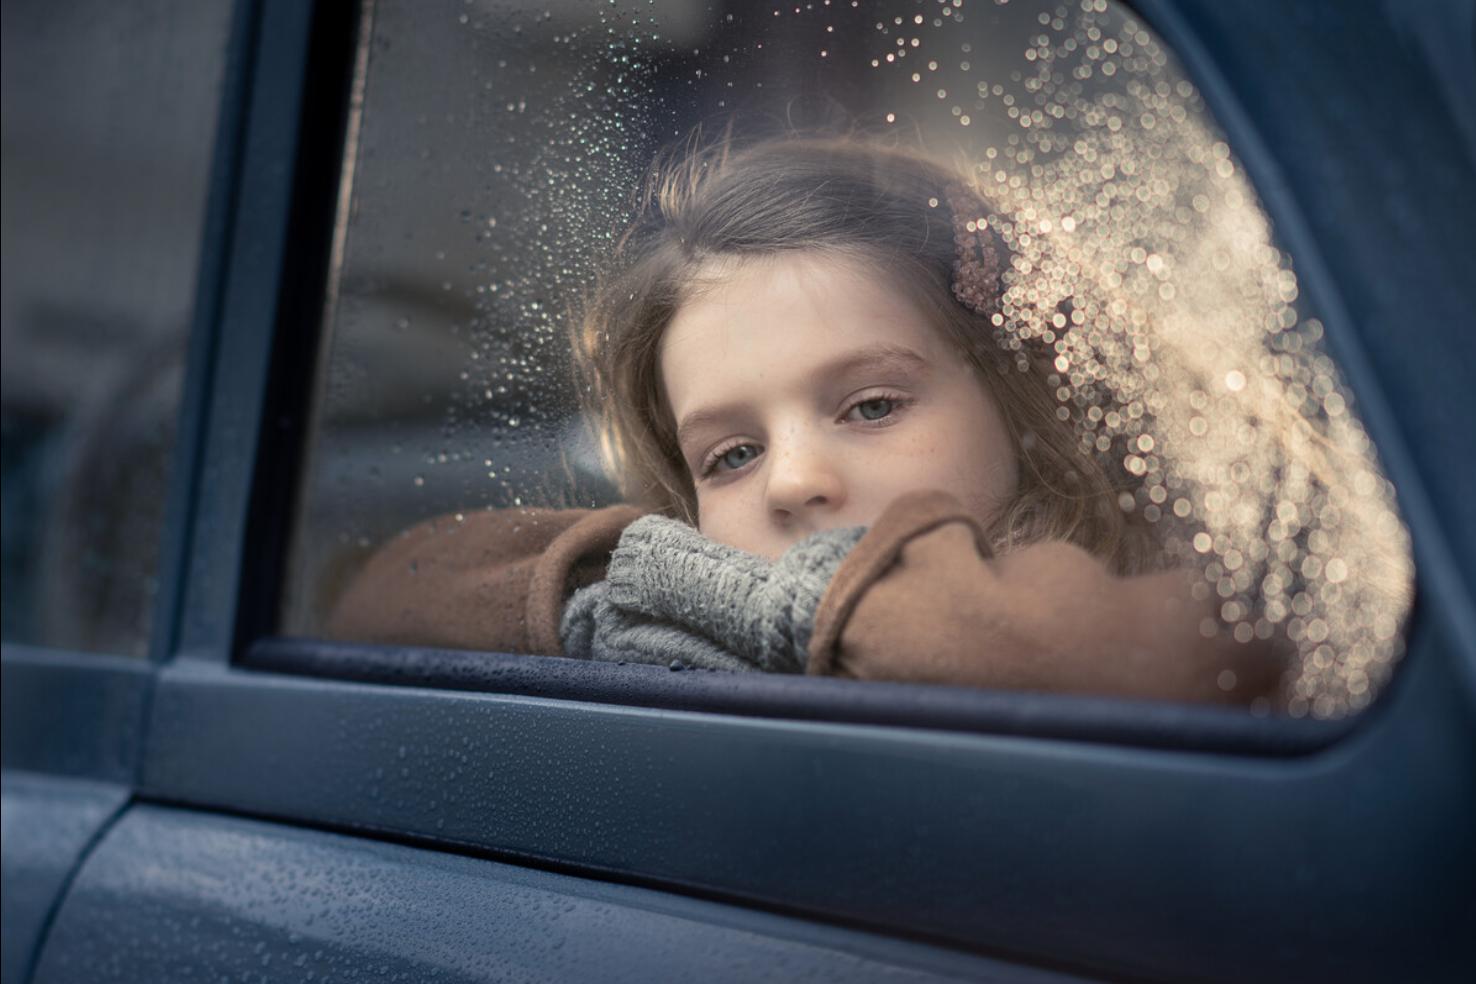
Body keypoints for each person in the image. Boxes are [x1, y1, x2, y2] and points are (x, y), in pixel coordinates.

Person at [329, 133, 1284, 705]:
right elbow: (380, 602)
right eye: (731, 454)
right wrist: (650, 600)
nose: (791, 481)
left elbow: (1154, 664)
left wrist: (791, 612)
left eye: (871, 406)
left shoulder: (1228, 589)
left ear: (1022, 401)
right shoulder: (690, 646)